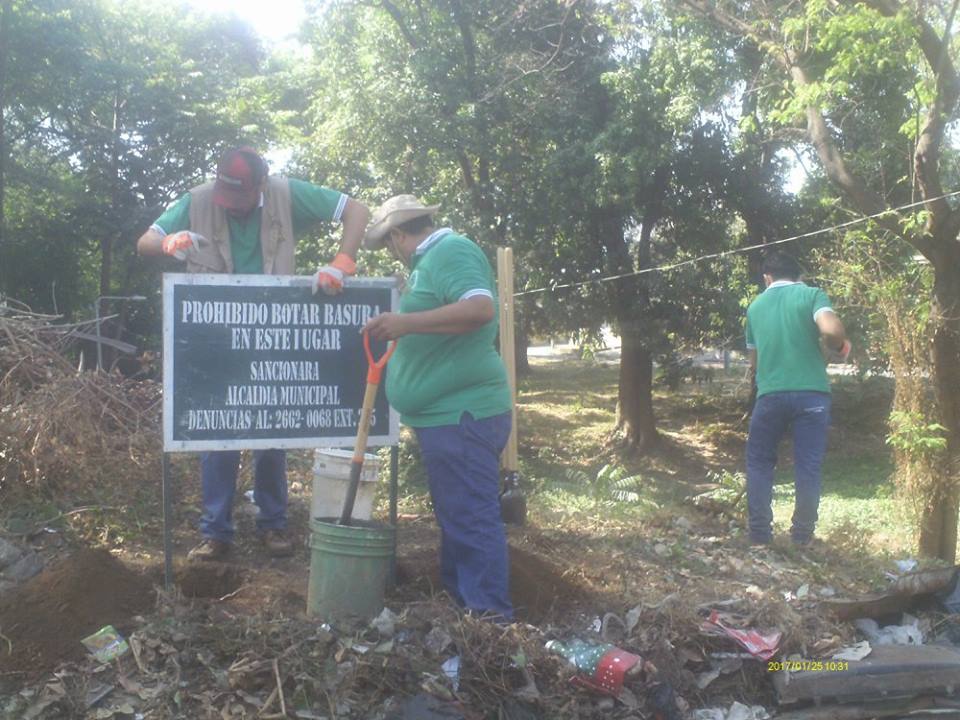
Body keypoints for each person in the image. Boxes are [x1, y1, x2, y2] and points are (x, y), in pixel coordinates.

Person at [137, 146, 370, 561]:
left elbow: (357, 209)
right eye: (228, 199)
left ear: (260, 185)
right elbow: (145, 242)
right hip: (216, 339)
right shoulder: (199, 198)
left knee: (271, 433)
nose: (234, 208)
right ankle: (216, 533)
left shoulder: (286, 193)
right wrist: (169, 241)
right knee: (216, 435)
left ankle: (273, 524)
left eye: (241, 198)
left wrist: (342, 261)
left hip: (271, 333)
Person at [361, 195, 514, 620]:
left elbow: (480, 308)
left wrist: (405, 323)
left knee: (472, 519)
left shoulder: (451, 250)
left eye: (389, 243)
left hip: (463, 413)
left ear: (396, 235)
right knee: (458, 517)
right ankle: (465, 613)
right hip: (445, 416)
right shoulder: (429, 264)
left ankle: (492, 624)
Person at [744, 251, 850, 547]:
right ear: (798, 275)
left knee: (759, 462)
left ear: (767, 277)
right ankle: (801, 538)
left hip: (771, 394)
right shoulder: (812, 295)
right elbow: (830, 330)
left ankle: (760, 537)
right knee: (808, 465)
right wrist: (838, 346)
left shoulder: (755, 307)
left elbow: (754, 361)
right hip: (812, 394)